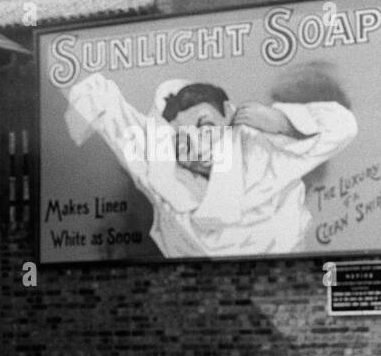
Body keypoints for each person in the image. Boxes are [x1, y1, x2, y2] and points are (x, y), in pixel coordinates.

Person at [64, 73, 358, 257]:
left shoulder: (260, 150)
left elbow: (343, 125)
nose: (195, 143)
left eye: (206, 125)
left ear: (228, 115)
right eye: (182, 134)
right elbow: (102, 102)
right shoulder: (156, 160)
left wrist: (282, 123)